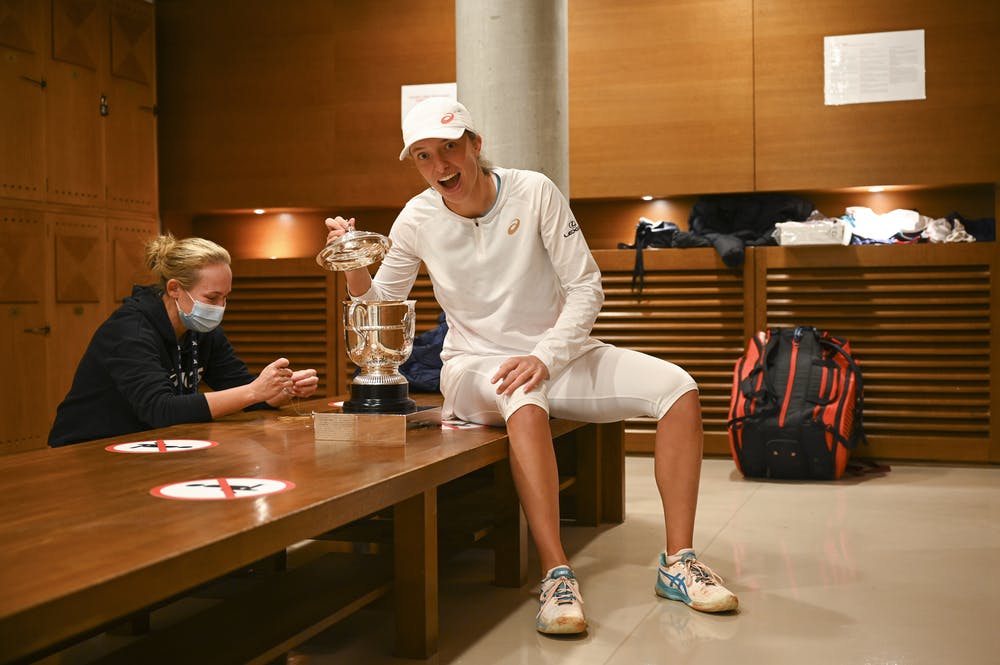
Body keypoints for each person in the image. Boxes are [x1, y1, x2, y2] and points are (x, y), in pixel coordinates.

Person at [323, 97, 738, 635]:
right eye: (424, 156)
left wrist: (545, 355)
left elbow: (586, 287)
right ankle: (555, 575)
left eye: (450, 148)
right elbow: (381, 308)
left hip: (555, 355)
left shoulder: (534, 190)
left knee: (677, 388)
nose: (440, 165)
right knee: (520, 396)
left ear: (476, 145)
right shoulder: (416, 217)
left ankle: (678, 562)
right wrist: (356, 267)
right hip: (473, 367)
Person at [48, 234, 318, 447]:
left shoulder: (204, 330)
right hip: (88, 449)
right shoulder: (130, 330)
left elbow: (240, 390)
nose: (220, 307)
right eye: (212, 298)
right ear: (175, 289)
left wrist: (277, 393)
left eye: (226, 297)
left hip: (152, 447)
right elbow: (160, 410)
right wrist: (253, 391)